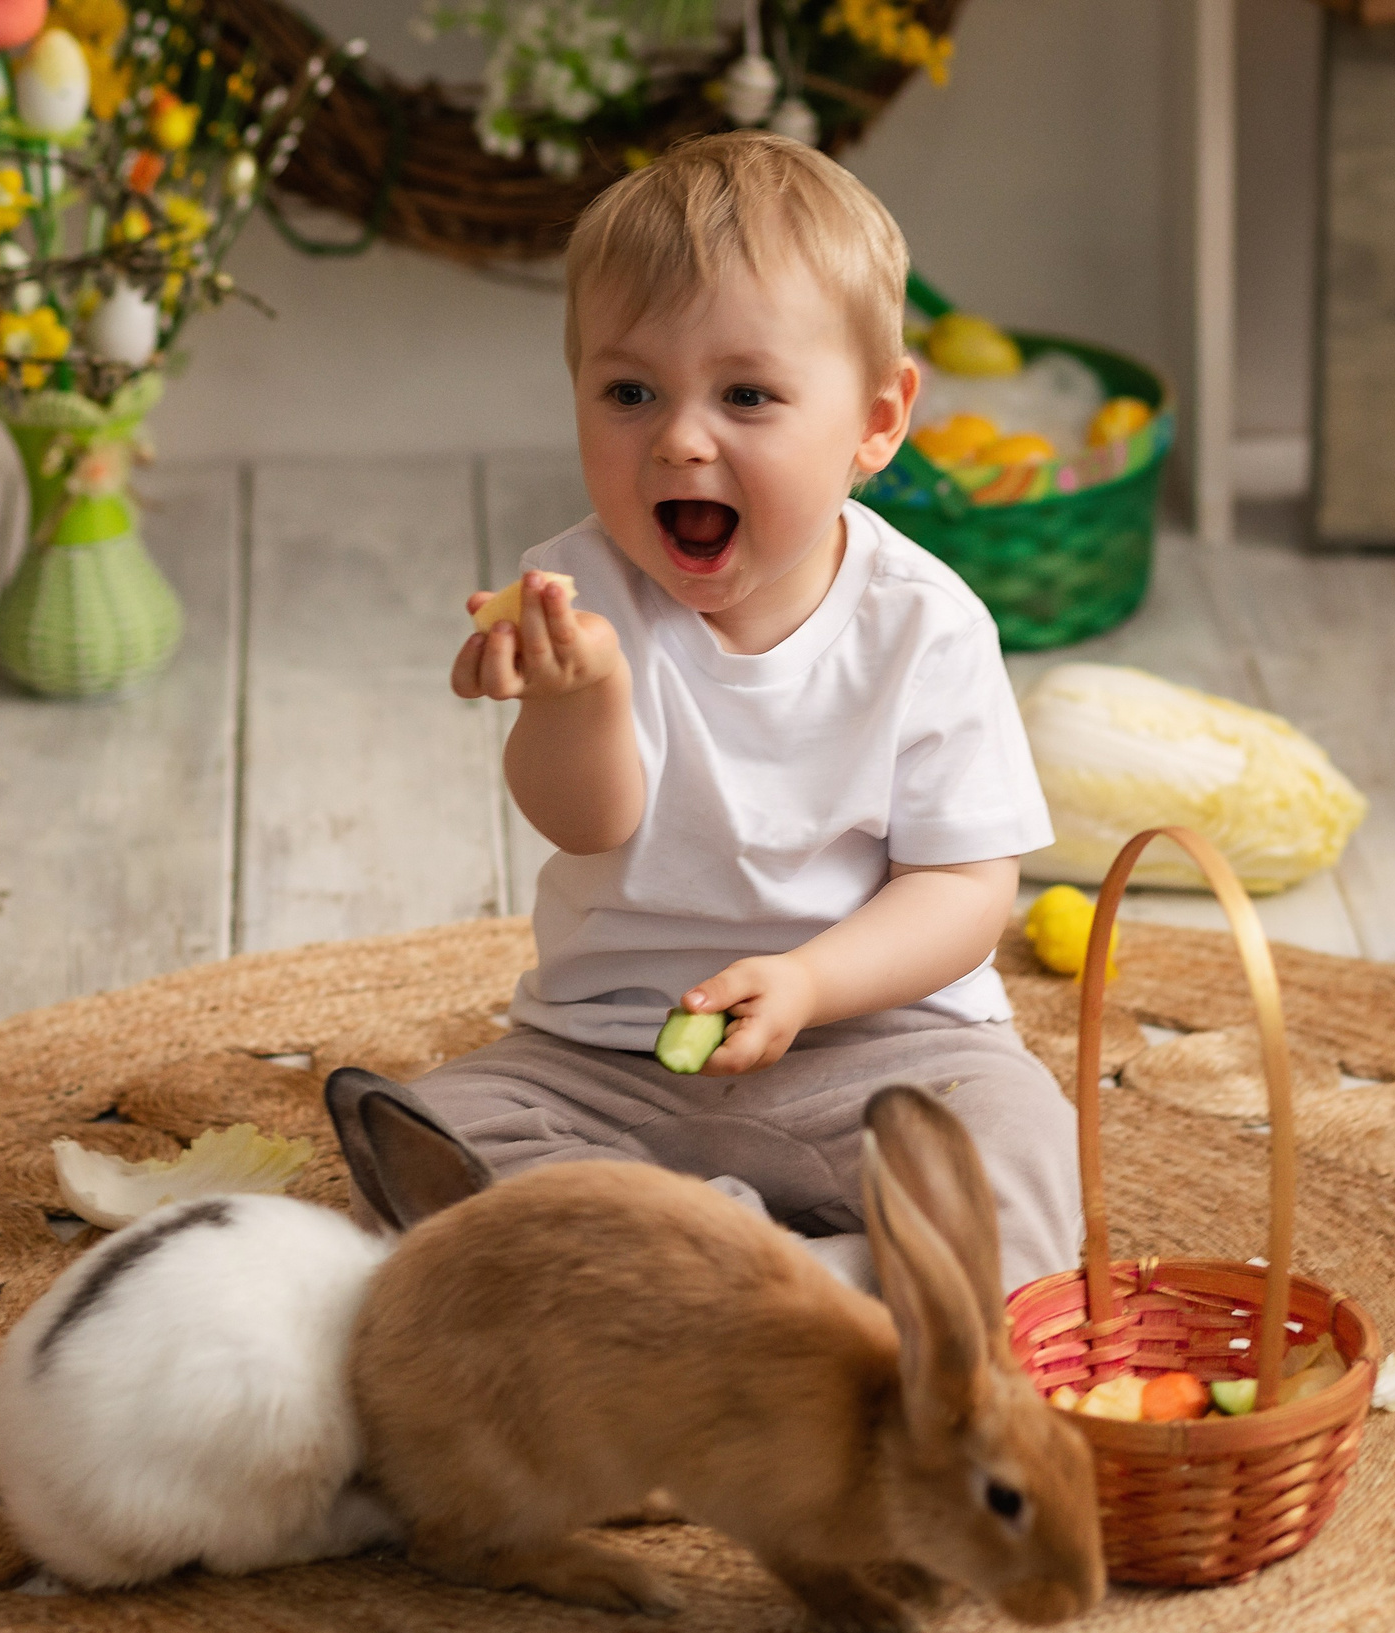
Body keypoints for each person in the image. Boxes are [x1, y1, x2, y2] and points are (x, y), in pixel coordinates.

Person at [408, 130, 1080, 1294]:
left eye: (747, 396)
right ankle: (767, 1276)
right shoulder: (575, 591)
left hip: (876, 1045)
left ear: (876, 421)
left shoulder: (925, 624)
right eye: (629, 393)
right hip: (608, 1057)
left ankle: (732, 1286)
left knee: (1017, 1151)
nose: (678, 438)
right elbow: (583, 823)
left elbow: (964, 893)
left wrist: (811, 983)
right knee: (430, 1140)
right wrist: (579, 698)